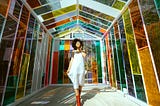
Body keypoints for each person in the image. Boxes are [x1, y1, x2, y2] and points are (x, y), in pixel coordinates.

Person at [67, 38, 86, 106]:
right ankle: (78, 102)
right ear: (74, 44)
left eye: (79, 43)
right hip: (74, 69)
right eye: (76, 43)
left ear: (80, 44)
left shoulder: (83, 51)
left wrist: (80, 50)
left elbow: (84, 55)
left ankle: (79, 97)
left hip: (81, 70)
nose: (78, 44)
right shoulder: (73, 52)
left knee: (80, 84)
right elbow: (71, 61)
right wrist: (69, 69)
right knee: (76, 84)